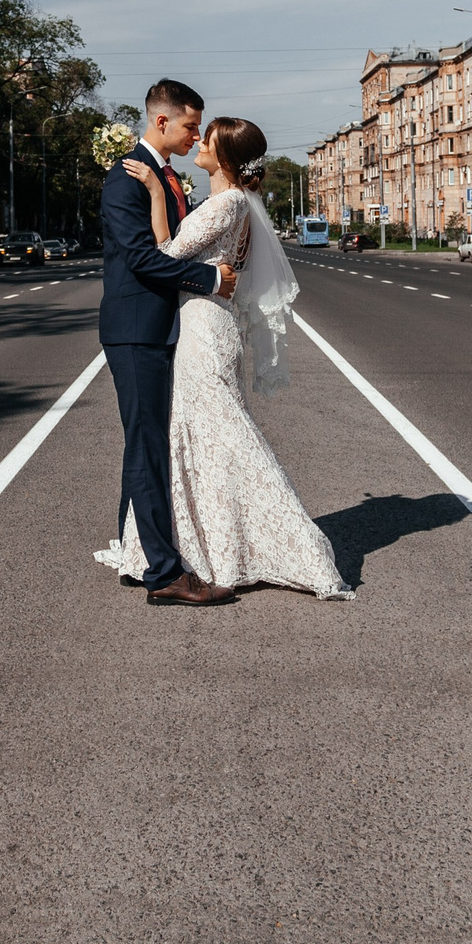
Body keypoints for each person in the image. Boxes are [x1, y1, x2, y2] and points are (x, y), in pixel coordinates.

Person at [101, 114, 350, 601]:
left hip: (203, 328)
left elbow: (167, 253)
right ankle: (211, 547)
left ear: (226, 157)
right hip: (207, 324)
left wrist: (155, 194)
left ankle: (269, 545)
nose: (198, 140)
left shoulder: (227, 203)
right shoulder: (228, 202)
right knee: (199, 439)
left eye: (205, 137)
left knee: (219, 436)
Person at [98, 80, 238, 607]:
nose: (195, 134)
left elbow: (170, 243)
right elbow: (141, 257)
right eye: (190, 126)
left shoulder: (163, 177)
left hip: (157, 328)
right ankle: (163, 574)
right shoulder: (125, 178)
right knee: (147, 444)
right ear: (162, 122)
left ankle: (138, 554)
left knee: (147, 442)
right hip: (136, 329)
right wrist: (210, 280)